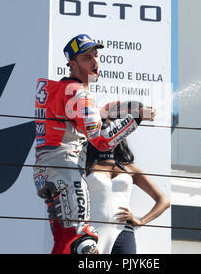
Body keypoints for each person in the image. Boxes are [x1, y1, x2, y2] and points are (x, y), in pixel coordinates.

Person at [33, 34, 154, 254]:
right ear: (72, 64)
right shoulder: (79, 93)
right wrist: (134, 120)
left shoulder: (62, 90)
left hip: (46, 170)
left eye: (96, 55)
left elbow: (96, 113)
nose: (95, 61)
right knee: (83, 241)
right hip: (66, 170)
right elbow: (102, 141)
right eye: (87, 57)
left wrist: (132, 110)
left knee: (63, 239)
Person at [85, 135, 170, 254]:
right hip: (92, 231)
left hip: (123, 232)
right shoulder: (85, 167)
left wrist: (141, 221)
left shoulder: (130, 168)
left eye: (111, 134)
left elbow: (164, 201)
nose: (107, 139)